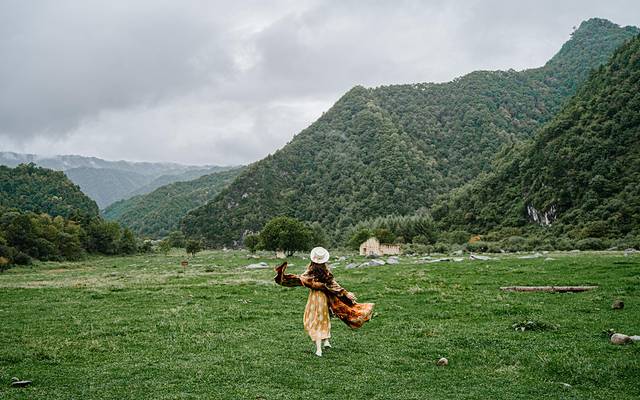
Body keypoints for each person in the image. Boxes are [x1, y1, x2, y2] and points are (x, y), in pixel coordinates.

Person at [274, 246, 374, 356]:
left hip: (314, 299)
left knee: (315, 321)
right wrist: (346, 293)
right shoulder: (326, 273)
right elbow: (334, 286)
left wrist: (283, 276)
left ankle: (319, 349)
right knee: (325, 318)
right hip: (326, 298)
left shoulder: (309, 272)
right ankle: (326, 341)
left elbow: (299, 279)